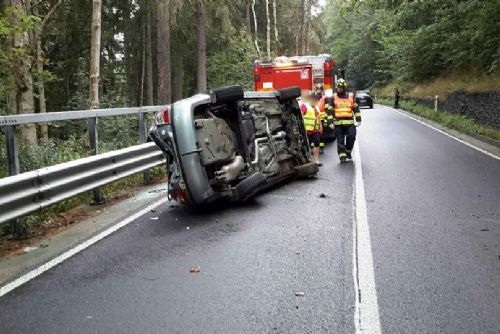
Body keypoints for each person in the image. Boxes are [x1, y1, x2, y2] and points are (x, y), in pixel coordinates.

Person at [332, 78, 361, 163]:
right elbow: (330, 110)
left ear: (344, 88)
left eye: (340, 87)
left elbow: (355, 108)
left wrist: (358, 119)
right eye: (337, 87)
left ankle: (348, 152)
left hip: (349, 122)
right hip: (338, 123)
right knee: (340, 141)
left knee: (351, 137)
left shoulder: (350, 96)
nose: (338, 89)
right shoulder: (334, 97)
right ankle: (342, 157)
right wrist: (329, 122)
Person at [300, 92, 323, 166]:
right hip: (306, 130)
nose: (315, 101)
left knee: (317, 143)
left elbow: (318, 118)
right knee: (306, 145)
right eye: (314, 100)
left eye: (316, 100)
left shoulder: (317, 108)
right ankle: (307, 160)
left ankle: (316, 161)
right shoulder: (305, 106)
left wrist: (321, 127)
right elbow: (300, 116)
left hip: (315, 130)